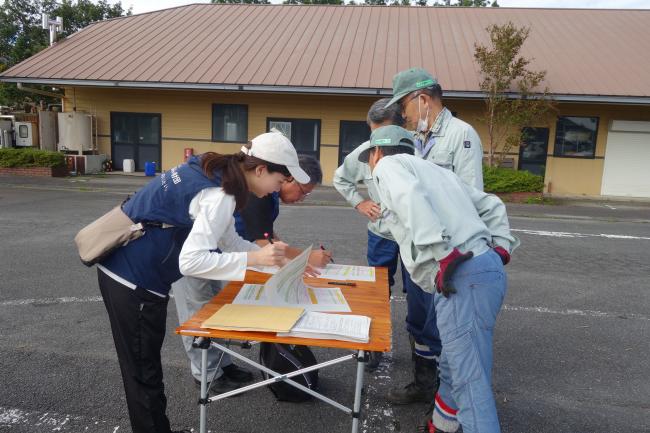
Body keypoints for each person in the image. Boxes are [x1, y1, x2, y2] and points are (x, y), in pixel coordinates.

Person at [95, 130, 308, 433]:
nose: (278, 188)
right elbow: (191, 261)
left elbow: (229, 240)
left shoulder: (221, 174)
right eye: (280, 180)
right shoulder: (221, 194)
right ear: (260, 170)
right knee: (143, 373)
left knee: (144, 370)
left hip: (129, 269)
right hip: (132, 280)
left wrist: (270, 260)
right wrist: (254, 260)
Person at [358, 125, 518, 433]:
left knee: (471, 384)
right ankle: (442, 427)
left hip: (460, 273)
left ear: (377, 153)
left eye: (370, 158)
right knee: (453, 368)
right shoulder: (439, 172)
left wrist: (442, 252)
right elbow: (492, 204)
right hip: (486, 268)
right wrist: (501, 247)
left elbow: (408, 196)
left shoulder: (388, 166)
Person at [172, 154, 328, 393]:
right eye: (303, 191)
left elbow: (256, 237)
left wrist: (288, 259)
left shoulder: (261, 191)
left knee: (218, 309)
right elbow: (260, 242)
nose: (302, 198)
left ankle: (222, 364)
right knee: (197, 311)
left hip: (223, 253)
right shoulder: (251, 193)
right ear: (283, 177)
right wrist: (292, 259)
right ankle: (205, 374)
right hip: (192, 251)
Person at [382, 68, 486, 404]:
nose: (405, 117)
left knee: (446, 327)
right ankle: (424, 383)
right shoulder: (416, 140)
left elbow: (470, 198)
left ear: (422, 99)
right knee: (419, 320)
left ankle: (446, 399)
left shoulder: (461, 135)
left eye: (405, 108)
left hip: (448, 255)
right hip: (418, 251)